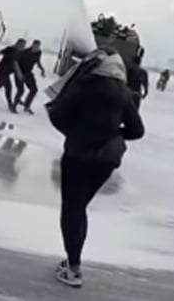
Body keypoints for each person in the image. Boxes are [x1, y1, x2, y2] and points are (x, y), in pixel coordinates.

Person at [46, 49, 145, 288]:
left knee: (72, 209)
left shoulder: (83, 85)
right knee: (80, 208)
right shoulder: (123, 92)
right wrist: (112, 133)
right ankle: (73, 261)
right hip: (106, 160)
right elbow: (137, 130)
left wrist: (77, 132)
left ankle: (73, 268)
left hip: (78, 155)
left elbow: (57, 114)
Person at [14, 39, 46, 114]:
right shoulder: (24, 52)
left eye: (38, 47)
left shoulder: (38, 53)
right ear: (32, 45)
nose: (36, 48)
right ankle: (13, 106)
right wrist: (19, 73)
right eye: (35, 46)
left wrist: (42, 69)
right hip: (20, 72)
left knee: (34, 90)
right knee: (21, 90)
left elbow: (38, 61)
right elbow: (15, 62)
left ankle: (26, 105)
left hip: (28, 73)